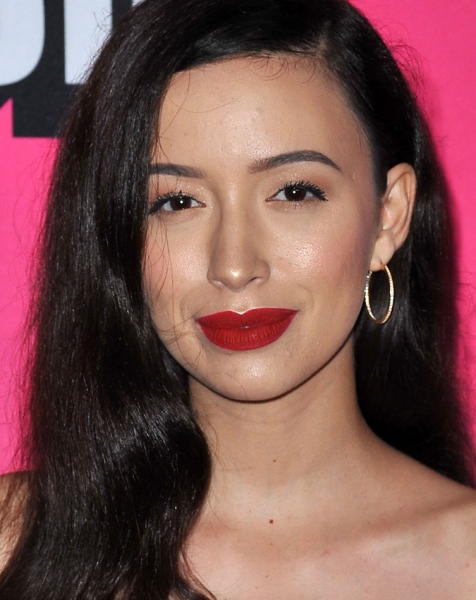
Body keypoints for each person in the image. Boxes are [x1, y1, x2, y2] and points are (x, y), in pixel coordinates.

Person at [0, 0, 476, 597]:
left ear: (388, 216)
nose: (234, 266)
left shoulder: (464, 560)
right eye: (177, 202)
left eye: (294, 192)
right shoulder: (16, 542)